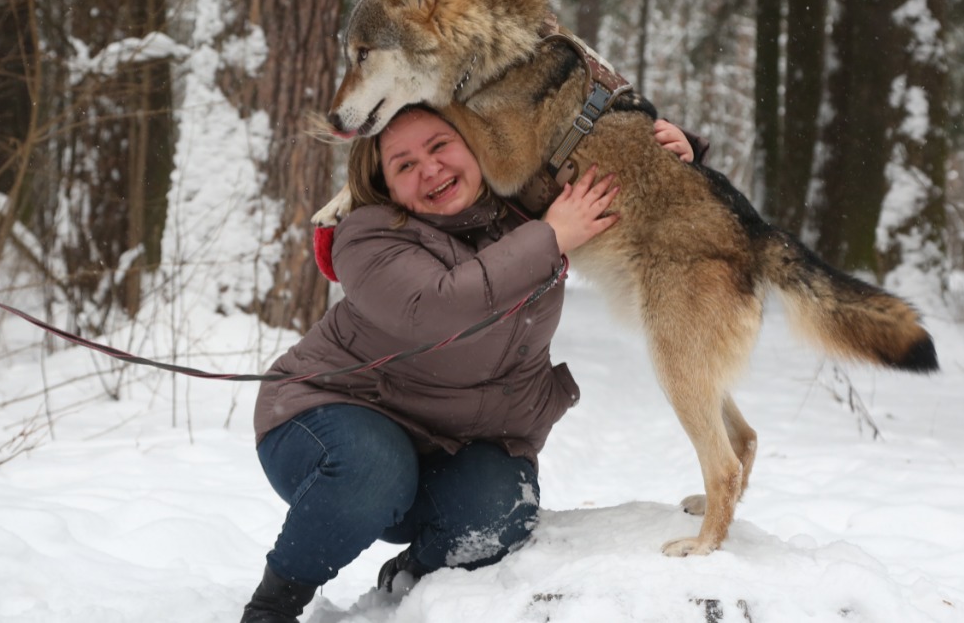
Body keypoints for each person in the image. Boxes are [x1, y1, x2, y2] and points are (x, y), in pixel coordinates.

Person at [240, 105, 704, 622]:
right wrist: (550, 237)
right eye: (404, 165)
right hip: (326, 416)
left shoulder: (523, 209)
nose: (431, 170)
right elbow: (437, 309)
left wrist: (673, 156)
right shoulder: (369, 235)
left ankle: (413, 580)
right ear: (386, 186)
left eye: (440, 146)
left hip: (456, 440)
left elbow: (622, 189)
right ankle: (274, 604)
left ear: (475, 143)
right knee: (375, 468)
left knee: (499, 513)